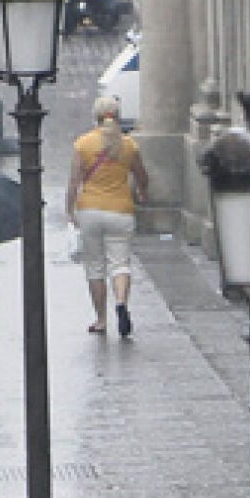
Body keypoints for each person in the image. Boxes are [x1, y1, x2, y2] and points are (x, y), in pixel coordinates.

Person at [64, 95, 147, 338]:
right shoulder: (129, 145)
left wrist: (70, 208)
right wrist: (142, 191)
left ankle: (101, 319)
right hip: (121, 210)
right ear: (117, 116)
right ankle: (121, 302)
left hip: (90, 210)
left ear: (96, 117)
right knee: (120, 264)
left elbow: (74, 181)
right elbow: (142, 175)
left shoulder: (83, 144)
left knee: (95, 267)